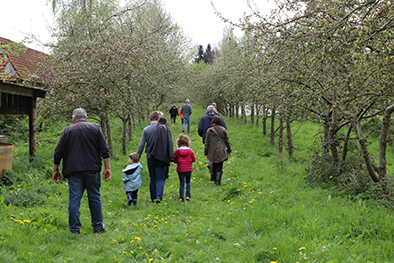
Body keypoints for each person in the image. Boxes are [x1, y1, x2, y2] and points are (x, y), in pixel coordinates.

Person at [52, 108, 111, 234]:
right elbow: (104, 150)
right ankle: (98, 226)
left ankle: (74, 229)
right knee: (94, 197)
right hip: (92, 169)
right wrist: (107, 168)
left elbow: (58, 152)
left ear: (73, 119)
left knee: (74, 199)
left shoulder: (66, 131)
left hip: (73, 170)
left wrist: (55, 169)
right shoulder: (95, 128)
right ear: (86, 117)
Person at [137, 111, 174, 203]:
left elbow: (141, 145)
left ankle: (152, 198)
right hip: (161, 156)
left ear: (149, 119)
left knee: (152, 177)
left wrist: (137, 157)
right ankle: (159, 197)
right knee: (160, 177)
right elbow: (171, 141)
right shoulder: (164, 128)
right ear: (158, 119)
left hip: (150, 156)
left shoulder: (146, 130)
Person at [198, 105, 227, 181]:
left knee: (210, 156)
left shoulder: (204, 117)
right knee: (218, 159)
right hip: (219, 142)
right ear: (214, 110)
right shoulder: (219, 117)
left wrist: (203, 135)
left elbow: (200, 129)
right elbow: (224, 128)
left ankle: (212, 173)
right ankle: (217, 177)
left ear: (207, 110)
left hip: (208, 140)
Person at [204, 115, 232, 186]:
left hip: (212, 151)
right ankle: (218, 181)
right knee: (219, 166)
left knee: (213, 164)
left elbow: (207, 142)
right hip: (221, 150)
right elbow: (227, 141)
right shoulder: (223, 130)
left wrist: (206, 152)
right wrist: (229, 150)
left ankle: (214, 178)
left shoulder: (209, 131)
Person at [174, 134, 196, 201]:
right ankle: (188, 195)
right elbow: (193, 159)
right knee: (188, 182)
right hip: (188, 169)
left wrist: (178, 162)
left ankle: (181, 197)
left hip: (180, 169)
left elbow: (175, 160)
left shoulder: (177, 151)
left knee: (181, 183)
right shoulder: (190, 151)